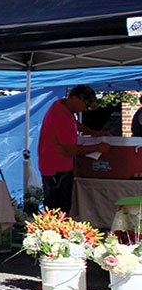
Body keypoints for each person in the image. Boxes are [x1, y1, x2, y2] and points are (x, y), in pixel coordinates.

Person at [38, 84, 111, 213]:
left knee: (59, 208)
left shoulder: (61, 107)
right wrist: (98, 147)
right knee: (59, 209)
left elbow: (75, 123)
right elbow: (71, 151)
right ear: (77, 98)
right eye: (86, 105)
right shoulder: (61, 116)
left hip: (56, 167)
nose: (86, 110)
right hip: (57, 169)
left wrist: (92, 132)